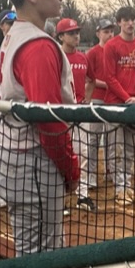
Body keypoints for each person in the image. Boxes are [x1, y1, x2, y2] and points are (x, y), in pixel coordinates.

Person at [0, 0, 78, 255]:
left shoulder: (15, 34)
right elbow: (50, 121)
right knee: (41, 261)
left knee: (32, 253)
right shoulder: (38, 46)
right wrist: (70, 169)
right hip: (35, 160)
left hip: (17, 157)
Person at [102, 6, 135, 204]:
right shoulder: (111, 46)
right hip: (115, 105)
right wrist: (125, 97)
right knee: (116, 149)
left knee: (131, 149)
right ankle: (119, 189)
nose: (130, 23)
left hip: (134, 104)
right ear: (119, 22)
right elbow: (109, 77)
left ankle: (128, 187)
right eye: (126, 20)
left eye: (133, 20)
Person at [55, 18, 96, 212]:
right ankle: (59, 198)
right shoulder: (56, 56)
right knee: (62, 154)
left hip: (80, 111)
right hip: (62, 113)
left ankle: (83, 195)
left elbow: (92, 80)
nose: (76, 36)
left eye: (77, 32)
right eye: (71, 33)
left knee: (83, 153)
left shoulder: (82, 57)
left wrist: (86, 99)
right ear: (61, 36)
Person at [84, 18, 115, 190]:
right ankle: (91, 175)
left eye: (111, 31)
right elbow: (89, 79)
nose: (109, 34)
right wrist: (108, 84)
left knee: (111, 139)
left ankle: (110, 171)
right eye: (105, 31)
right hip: (96, 98)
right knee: (94, 139)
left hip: (112, 99)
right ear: (98, 34)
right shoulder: (93, 53)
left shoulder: (115, 51)